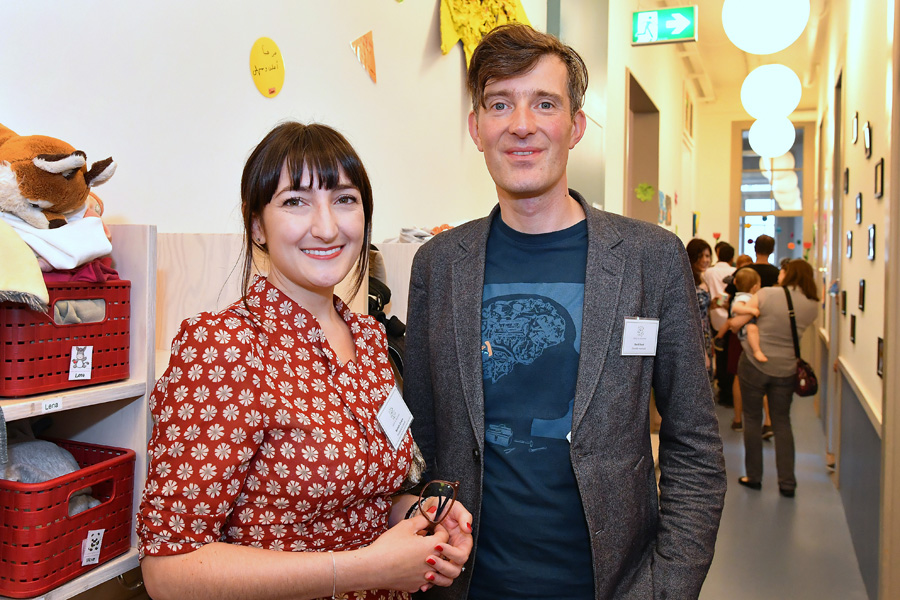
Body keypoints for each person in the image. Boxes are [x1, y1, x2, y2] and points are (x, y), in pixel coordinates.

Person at [405, 24, 726, 600]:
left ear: (576, 126)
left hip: (613, 583)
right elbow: (424, 436)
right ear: (476, 128)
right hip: (465, 586)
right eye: (499, 103)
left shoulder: (650, 259)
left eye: (544, 104)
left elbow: (694, 444)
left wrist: (666, 586)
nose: (521, 124)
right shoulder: (438, 265)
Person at [137, 122, 473, 600]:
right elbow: (168, 572)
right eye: (295, 201)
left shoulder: (369, 340)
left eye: (345, 199)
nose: (327, 226)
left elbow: (363, 498)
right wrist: (359, 569)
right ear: (257, 224)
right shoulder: (226, 348)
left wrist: (419, 516)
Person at [732, 259, 820, 498]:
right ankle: (787, 482)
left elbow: (739, 317)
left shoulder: (767, 293)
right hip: (786, 369)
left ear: (789, 273)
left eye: (783, 270)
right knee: (782, 422)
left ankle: (754, 476)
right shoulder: (813, 304)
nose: (780, 273)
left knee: (752, 419)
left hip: (754, 364)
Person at [705, 242, 736, 405]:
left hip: (713, 315)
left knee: (717, 353)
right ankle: (728, 391)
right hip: (731, 316)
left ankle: (720, 387)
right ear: (732, 257)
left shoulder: (709, 272)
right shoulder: (734, 272)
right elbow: (728, 294)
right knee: (729, 356)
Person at [718, 268, 767, 362]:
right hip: (742, 327)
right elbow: (736, 308)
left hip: (739, 326)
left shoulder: (743, 295)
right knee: (752, 328)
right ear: (755, 287)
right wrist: (751, 310)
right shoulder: (744, 297)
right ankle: (756, 351)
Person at [686, 238, 714, 378]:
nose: (705, 260)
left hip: (706, 336)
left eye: (708, 256)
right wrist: (702, 351)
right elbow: (690, 319)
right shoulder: (688, 280)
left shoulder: (702, 278)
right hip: (696, 339)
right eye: (700, 256)